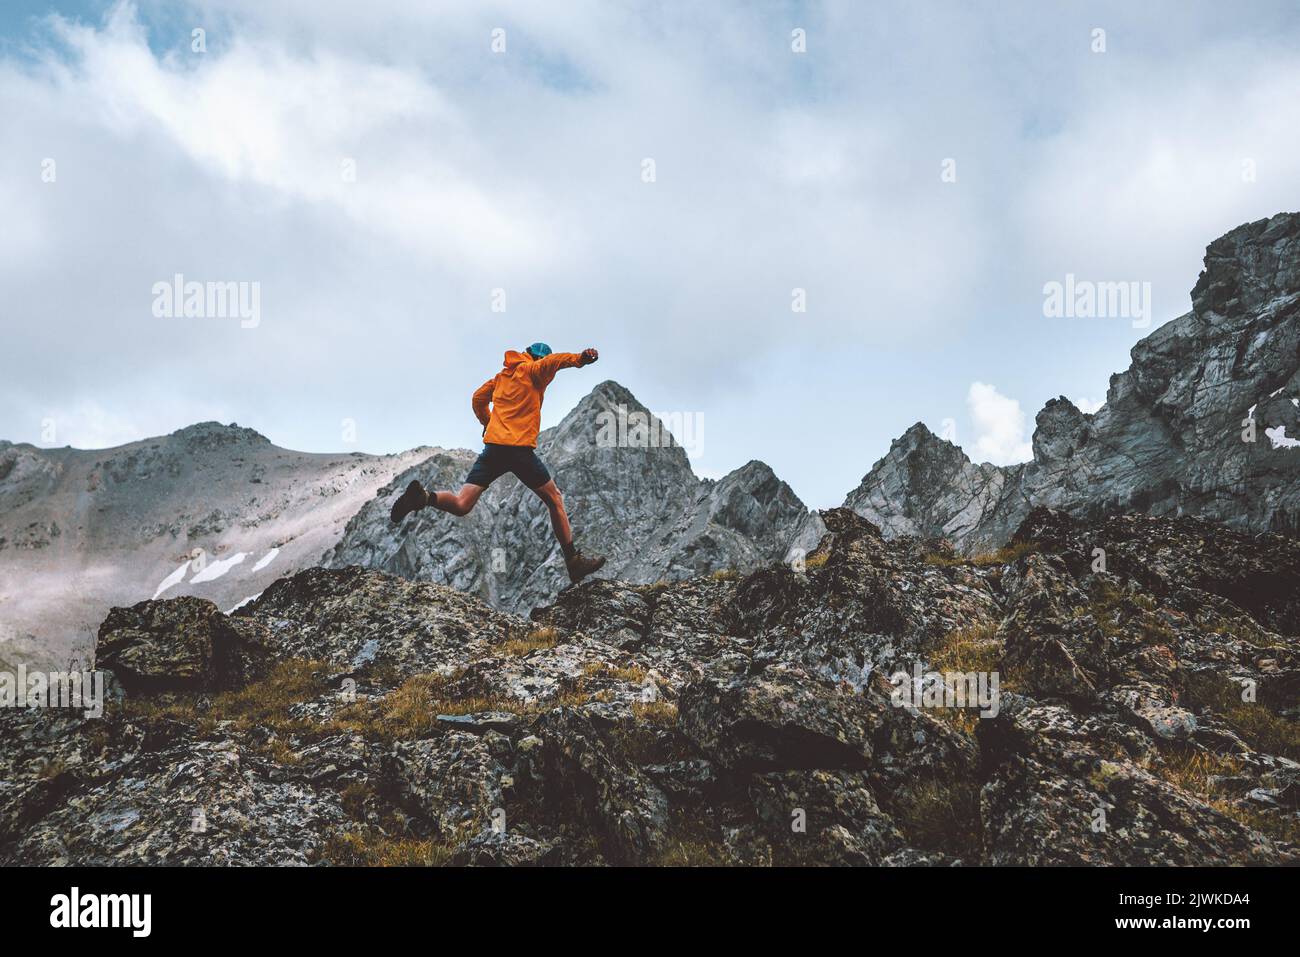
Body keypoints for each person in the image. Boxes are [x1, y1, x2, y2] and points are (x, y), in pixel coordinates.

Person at [390, 342, 607, 584]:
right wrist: (581, 358)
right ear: (537, 359)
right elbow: (554, 362)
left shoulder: (502, 377)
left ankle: (424, 498)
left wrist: (489, 423)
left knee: (462, 504)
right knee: (554, 499)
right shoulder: (535, 370)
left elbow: (477, 399)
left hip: (493, 449)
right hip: (518, 450)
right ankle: (573, 562)